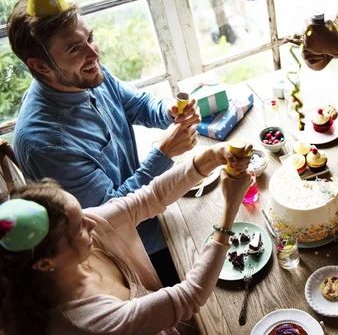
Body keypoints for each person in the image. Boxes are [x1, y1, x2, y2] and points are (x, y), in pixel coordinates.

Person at [7, 0, 200, 284]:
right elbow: (111, 216)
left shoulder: (85, 72)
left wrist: (168, 111)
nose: (93, 52)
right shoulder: (44, 142)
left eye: (90, 37)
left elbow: (137, 104)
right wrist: (164, 153)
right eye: (75, 48)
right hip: (135, 252)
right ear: (40, 65)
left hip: (162, 210)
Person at [0, 142, 252, 335]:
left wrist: (211, 157)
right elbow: (189, 297)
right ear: (45, 263)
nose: (92, 222)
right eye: (78, 228)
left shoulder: (83, 228)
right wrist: (230, 209)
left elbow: (149, 197)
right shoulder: (89, 322)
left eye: (81, 213)